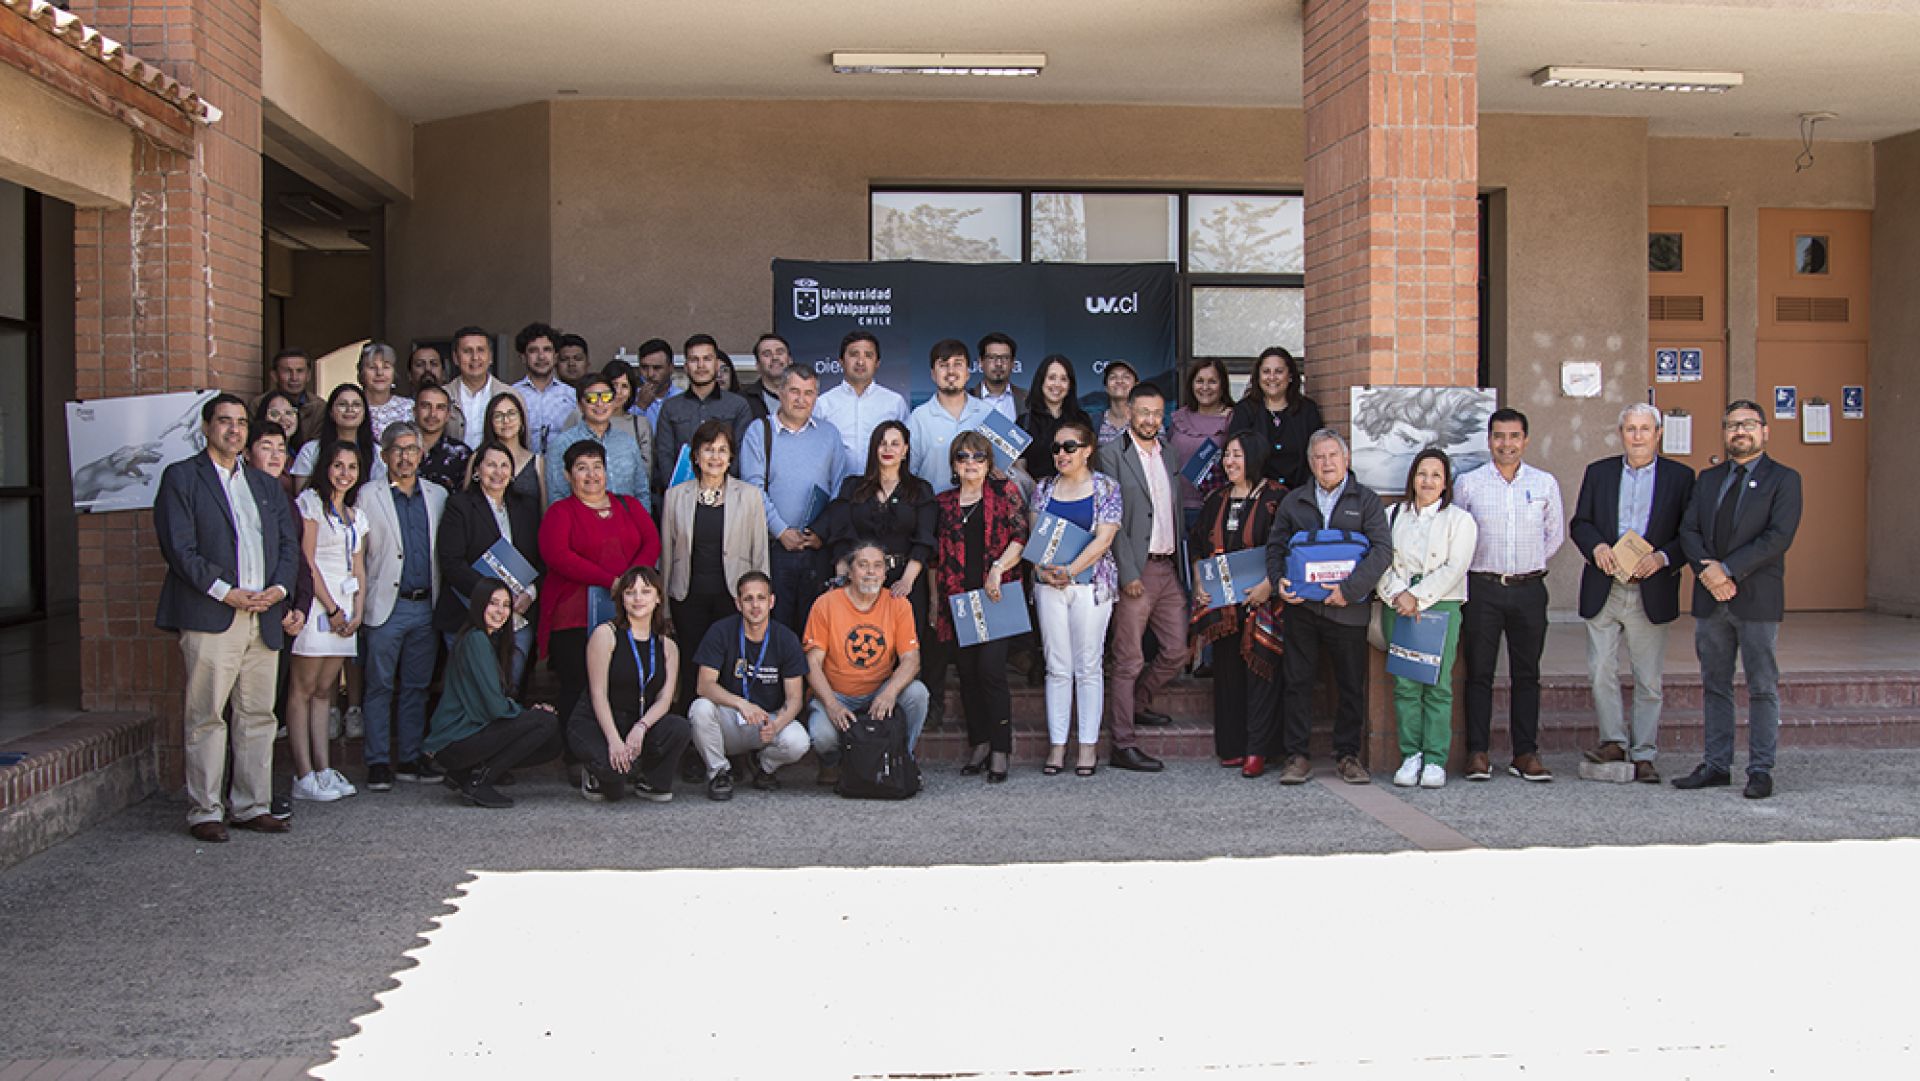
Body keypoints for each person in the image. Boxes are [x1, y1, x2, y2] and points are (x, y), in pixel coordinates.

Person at [154, 394, 299, 842]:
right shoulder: (182, 477)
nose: (234, 430)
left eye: (241, 423)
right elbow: (179, 548)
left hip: (264, 614)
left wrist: (278, 590)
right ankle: (205, 811)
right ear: (206, 427)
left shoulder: (264, 484)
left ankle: (252, 805)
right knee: (207, 716)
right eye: (224, 421)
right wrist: (225, 591)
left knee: (258, 715)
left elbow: (288, 545)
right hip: (212, 612)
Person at [1674, 400, 1803, 800]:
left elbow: (1778, 537)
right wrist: (1709, 574)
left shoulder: (1784, 479)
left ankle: (1760, 770)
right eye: (1732, 425)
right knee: (1715, 684)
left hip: (1757, 598)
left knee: (1761, 686)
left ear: (1765, 431)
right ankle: (1716, 765)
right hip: (1711, 599)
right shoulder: (1708, 479)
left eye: (1748, 424)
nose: (1740, 431)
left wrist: (1727, 571)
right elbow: (1688, 530)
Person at [1568, 403, 1697, 783]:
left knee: (1648, 678)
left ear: (1658, 434)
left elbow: (1690, 533)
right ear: (1621, 433)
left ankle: (1643, 753)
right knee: (1600, 670)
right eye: (1630, 429)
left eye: (1645, 429)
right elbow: (1581, 523)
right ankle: (1613, 741)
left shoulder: (1680, 477)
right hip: (1605, 585)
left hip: (1650, 589)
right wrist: (1596, 547)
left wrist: (1663, 557)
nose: (1637, 436)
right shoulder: (1600, 472)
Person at [1265, 429, 1393, 785]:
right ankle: (1297, 756)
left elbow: (1382, 551)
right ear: (1310, 463)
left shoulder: (1366, 501)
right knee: (1297, 682)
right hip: (1302, 608)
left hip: (1348, 610)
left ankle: (1348, 756)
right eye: (1319, 457)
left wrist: (1349, 591)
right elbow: (1275, 547)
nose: (1326, 463)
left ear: (1346, 459)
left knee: (1350, 685)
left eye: (1333, 456)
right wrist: (1278, 581)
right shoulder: (1294, 501)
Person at [1453, 407, 1566, 782]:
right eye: (1499, 436)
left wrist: (1527, 564)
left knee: (1527, 673)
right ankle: (1477, 752)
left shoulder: (1544, 483)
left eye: (1514, 436)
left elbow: (1555, 535)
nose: (1506, 444)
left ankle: (1525, 753)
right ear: (1489, 440)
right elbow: (1458, 534)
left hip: (1529, 589)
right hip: (1483, 588)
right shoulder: (1469, 484)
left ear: (1525, 440)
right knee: (1479, 673)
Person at [1095, 382, 1187, 773]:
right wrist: (1127, 572)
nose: (1150, 419)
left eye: (1157, 413)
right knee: (1128, 659)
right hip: (1136, 569)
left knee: (1177, 650)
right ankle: (1123, 742)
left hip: (1168, 568)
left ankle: (1136, 703)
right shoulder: (1111, 454)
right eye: (1144, 412)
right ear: (1130, 412)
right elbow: (1110, 519)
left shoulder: (1170, 454)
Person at [538, 441, 661, 730]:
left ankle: (623, 746)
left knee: (622, 685)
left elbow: (651, 542)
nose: (591, 475)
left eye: (597, 467)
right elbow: (558, 555)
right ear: (568, 475)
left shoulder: (628, 505)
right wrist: (611, 581)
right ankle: (575, 748)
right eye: (582, 468)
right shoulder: (560, 512)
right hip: (574, 617)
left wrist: (631, 583)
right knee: (577, 685)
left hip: (628, 614)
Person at [1376, 448, 1477, 789]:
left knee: (1437, 684)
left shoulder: (1460, 520)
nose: (1428, 481)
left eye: (1436, 475)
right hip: (1397, 604)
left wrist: (1417, 598)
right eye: (1422, 474)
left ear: (1446, 483)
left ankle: (1435, 759)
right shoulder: (1393, 515)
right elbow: (1380, 559)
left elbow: (1454, 567)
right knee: (1405, 684)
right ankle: (1411, 755)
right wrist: (1399, 594)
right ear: (1412, 478)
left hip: (1440, 605)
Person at [355, 423, 448, 791]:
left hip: (425, 605)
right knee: (379, 686)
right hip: (385, 605)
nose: (405, 456)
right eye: (398, 449)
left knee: (416, 687)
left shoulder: (438, 495)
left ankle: (409, 756)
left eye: (412, 449)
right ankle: (377, 761)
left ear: (421, 454)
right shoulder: (367, 495)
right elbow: (357, 555)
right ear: (384, 455)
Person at [932, 432, 1028, 782]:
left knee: (991, 670)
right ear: (954, 464)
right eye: (963, 457)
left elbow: (1021, 537)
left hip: (995, 596)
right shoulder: (943, 503)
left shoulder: (1005, 493)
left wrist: (998, 570)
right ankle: (981, 744)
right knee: (968, 674)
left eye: (978, 457)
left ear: (989, 462)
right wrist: (934, 602)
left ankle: (1001, 748)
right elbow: (935, 558)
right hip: (958, 600)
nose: (970, 463)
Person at [1030, 418, 1123, 777]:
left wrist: (1070, 570)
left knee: (1088, 667)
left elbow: (1104, 539)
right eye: (1056, 448)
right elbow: (1036, 537)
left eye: (1070, 446)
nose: (1062, 454)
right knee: (1056, 666)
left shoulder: (1106, 487)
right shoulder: (1043, 488)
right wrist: (1042, 571)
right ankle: (1058, 745)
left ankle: (1087, 745)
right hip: (1049, 586)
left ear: (1087, 450)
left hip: (1090, 585)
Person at [1188, 432, 1283, 775]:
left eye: (1237, 455)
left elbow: (1286, 548)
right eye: (1227, 455)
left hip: (1263, 602)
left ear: (1254, 457)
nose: (1229, 462)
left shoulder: (1277, 498)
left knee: (1261, 671)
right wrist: (1200, 582)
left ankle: (1258, 749)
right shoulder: (1217, 499)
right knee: (1227, 672)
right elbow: (1197, 545)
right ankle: (1232, 746)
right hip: (1224, 605)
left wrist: (1268, 586)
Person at [659, 420, 770, 709]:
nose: (715, 457)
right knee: (691, 663)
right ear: (696, 456)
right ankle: (690, 723)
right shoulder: (675, 496)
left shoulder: (749, 496)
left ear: (731, 457)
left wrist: (759, 601)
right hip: (688, 597)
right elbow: (667, 554)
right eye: (708, 449)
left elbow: (760, 552)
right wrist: (665, 606)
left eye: (722, 450)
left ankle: (730, 723)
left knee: (731, 664)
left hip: (732, 597)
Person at [802, 541, 931, 787]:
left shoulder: (898, 604)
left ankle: (902, 757)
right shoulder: (825, 604)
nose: (871, 572)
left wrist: (889, 693)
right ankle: (834, 762)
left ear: (885, 573)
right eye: (863, 565)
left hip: (879, 691)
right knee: (822, 735)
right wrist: (832, 705)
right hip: (837, 693)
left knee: (918, 694)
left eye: (877, 566)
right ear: (850, 572)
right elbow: (812, 662)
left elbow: (911, 659)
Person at [427, 580, 564, 809]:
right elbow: (494, 707)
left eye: (506, 605)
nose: (500, 611)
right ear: (479, 604)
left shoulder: (487, 640)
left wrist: (526, 714)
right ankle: (479, 781)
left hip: (463, 738)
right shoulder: (477, 640)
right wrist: (530, 714)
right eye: (493, 603)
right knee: (545, 722)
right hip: (455, 740)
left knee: (550, 741)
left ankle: (464, 773)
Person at [566, 566, 694, 802]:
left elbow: (665, 699)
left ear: (658, 598)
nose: (637, 598)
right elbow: (598, 694)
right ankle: (595, 772)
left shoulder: (667, 646)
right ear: (621, 598)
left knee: (679, 727)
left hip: (638, 721)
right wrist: (614, 740)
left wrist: (641, 727)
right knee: (613, 784)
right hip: (599, 722)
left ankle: (650, 779)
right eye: (630, 592)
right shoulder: (605, 634)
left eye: (646, 591)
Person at [287, 440, 370, 803]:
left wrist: (357, 611)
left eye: (351, 467)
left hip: (345, 612)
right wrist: (332, 609)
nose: (344, 474)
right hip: (317, 607)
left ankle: (323, 769)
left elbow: (359, 568)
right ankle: (303, 773)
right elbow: (307, 561)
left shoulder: (356, 515)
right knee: (302, 689)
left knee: (325, 691)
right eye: (338, 466)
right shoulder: (310, 504)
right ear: (325, 467)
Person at [739, 365, 846, 632]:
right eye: (794, 391)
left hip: (816, 549)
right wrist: (781, 530)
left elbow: (839, 489)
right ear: (780, 391)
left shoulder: (829, 434)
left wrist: (821, 532)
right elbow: (753, 488)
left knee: (816, 629)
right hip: (775, 549)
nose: (801, 399)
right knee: (777, 628)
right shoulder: (759, 431)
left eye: (808, 393)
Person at [816, 420, 937, 652]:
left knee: (905, 648)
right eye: (882, 443)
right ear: (874, 448)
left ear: (905, 450)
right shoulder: (853, 487)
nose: (888, 449)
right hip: (861, 579)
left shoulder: (920, 490)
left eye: (895, 443)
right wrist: (843, 578)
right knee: (862, 646)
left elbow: (924, 538)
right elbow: (841, 535)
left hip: (905, 578)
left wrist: (907, 581)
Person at [689, 571, 812, 798]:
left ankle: (764, 767)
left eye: (761, 598)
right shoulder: (720, 631)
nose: (755, 605)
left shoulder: (786, 638)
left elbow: (795, 698)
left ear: (771, 601)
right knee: (700, 708)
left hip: (767, 719)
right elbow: (704, 685)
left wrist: (777, 725)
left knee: (798, 741)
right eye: (748, 599)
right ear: (738, 603)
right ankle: (719, 772)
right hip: (730, 717)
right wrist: (741, 704)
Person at [437, 441, 543, 688]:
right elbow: (452, 563)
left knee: (509, 690)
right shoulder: (459, 506)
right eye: (491, 465)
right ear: (477, 471)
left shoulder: (527, 507)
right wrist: (494, 597)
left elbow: (539, 559)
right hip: (469, 615)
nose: (498, 472)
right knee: (473, 691)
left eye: (504, 465)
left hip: (518, 617)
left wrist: (530, 593)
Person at [245, 422, 313, 742]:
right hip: (257, 612)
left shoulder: (287, 500)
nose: (275, 456)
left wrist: (301, 607)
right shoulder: (241, 497)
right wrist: (282, 608)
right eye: (266, 447)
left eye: (281, 449)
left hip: (286, 618)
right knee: (245, 709)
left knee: (270, 707)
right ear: (247, 453)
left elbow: (298, 558)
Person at [653, 334, 752, 494]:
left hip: (727, 495)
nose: (701, 365)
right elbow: (664, 455)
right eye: (694, 360)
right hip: (682, 494)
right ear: (686, 366)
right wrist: (676, 491)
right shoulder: (670, 407)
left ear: (717, 365)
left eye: (707, 359)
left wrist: (720, 490)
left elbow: (741, 454)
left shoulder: (738, 406)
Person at [546, 374, 650, 509]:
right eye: (592, 398)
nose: (600, 404)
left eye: (606, 397)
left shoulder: (627, 442)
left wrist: (641, 520)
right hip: (582, 521)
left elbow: (641, 491)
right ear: (580, 405)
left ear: (613, 402)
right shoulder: (562, 444)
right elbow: (557, 497)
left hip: (627, 520)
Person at [1227, 346, 1323, 490]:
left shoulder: (1307, 410)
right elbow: (1235, 456)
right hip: (1257, 495)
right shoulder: (1245, 410)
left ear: (1290, 376)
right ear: (1258, 377)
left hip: (1300, 494)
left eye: (1279, 371)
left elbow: (1318, 453)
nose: (1272, 377)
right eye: (1266, 371)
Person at [908, 338, 993, 496]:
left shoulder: (987, 413)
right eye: (943, 365)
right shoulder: (918, 418)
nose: (951, 371)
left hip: (980, 506)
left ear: (968, 373)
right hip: (933, 506)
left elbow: (1001, 467)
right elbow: (909, 473)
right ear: (933, 374)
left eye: (958, 364)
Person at [815, 331, 910, 469]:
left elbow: (906, 450)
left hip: (883, 483)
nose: (860, 361)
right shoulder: (823, 404)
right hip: (838, 483)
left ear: (877, 363)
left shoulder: (895, 403)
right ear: (841, 362)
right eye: (854, 354)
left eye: (868, 355)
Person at [1168, 358, 1236, 532]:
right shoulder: (1179, 418)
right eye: (1199, 381)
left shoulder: (1232, 419)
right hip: (1175, 507)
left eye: (1212, 381)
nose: (1205, 387)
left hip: (1215, 508)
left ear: (1222, 385)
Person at [1015, 353, 1090, 484]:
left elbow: (1089, 461)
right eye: (1051, 378)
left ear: (1070, 385)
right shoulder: (1024, 422)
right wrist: (1039, 490)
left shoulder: (1082, 420)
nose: (1057, 384)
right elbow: (1018, 466)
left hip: (1075, 490)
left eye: (1063, 379)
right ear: (1041, 381)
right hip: (1034, 492)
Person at [510, 321, 578, 456]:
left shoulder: (572, 395)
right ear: (523, 357)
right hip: (522, 465)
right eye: (533, 351)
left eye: (547, 350)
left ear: (556, 356)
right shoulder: (512, 394)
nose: (541, 357)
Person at [448, 325, 521, 449]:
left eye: (481, 350)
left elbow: (522, 442)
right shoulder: (444, 396)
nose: (475, 357)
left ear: (490, 357)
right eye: (467, 351)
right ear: (455, 358)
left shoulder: (510, 395)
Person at [289, 382, 373, 480]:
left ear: (365, 413)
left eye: (356, 405)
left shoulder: (376, 452)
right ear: (330, 412)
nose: (350, 409)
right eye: (342, 404)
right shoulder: (311, 450)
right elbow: (302, 489)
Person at [480, 391, 548, 506]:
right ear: (490, 423)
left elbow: (544, 509)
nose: (506, 421)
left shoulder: (538, 462)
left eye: (511, 413)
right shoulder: (478, 457)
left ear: (522, 419)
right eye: (498, 416)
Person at [412, 382, 473, 492]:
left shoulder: (461, 454)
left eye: (440, 408)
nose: (432, 414)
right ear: (414, 411)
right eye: (426, 406)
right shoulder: (400, 448)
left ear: (448, 415)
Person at [358, 342, 414, 444]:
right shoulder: (353, 407)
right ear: (362, 373)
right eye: (372, 367)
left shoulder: (409, 407)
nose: (380, 373)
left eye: (386, 367)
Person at [252, 390, 305, 495]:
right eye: (274, 414)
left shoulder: (301, 453)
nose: (283, 419)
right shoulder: (255, 452)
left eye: (289, 413)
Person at [263, 348, 322, 439]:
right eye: (287, 371)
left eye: (300, 371)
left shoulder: (319, 408)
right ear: (274, 375)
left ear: (308, 375)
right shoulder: (259, 403)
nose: (294, 378)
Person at [971, 332, 1026, 420]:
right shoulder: (967, 399)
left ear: (1013, 363)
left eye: (1005, 358)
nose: (999, 364)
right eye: (992, 357)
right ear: (981, 362)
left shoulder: (1027, 399)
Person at [631, 338, 679, 432]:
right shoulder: (629, 398)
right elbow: (624, 434)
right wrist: (640, 407)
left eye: (657, 368)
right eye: (644, 367)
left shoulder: (682, 399)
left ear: (671, 368)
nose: (650, 374)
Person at [744, 332, 793, 418]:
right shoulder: (743, 400)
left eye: (780, 352)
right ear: (758, 365)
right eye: (767, 354)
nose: (775, 358)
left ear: (790, 360)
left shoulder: (806, 395)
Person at [1089, 360, 1137, 446]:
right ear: (1106, 387)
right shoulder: (1093, 423)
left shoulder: (1147, 421)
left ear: (1136, 385)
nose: (1119, 381)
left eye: (1126, 377)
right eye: (1113, 377)